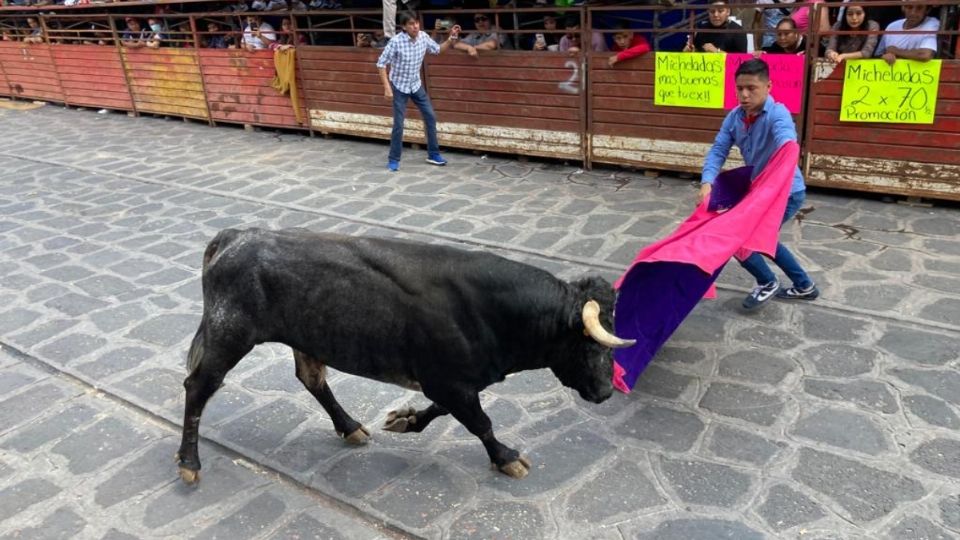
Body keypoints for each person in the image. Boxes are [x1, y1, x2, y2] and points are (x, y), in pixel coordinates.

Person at [699, 58, 819, 310]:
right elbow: (719, 149)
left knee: (742, 240)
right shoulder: (735, 117)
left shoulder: (779, 114)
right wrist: (707, 181)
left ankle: (767, 282)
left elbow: (788, 142)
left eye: (751, 88)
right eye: (739, 88)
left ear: (768, 87)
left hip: (786, 192)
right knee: (761, 239)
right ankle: (804, 286)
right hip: (758, 192)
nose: (744, 95)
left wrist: (788, 149)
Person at [376, 13, 459, 172]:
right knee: (399, 124)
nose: (415, 27)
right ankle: (394, 159)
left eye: (417, 23)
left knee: (430, 116)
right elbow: (381, 64)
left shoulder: (423, 37)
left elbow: (437, 50)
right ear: (404, 27)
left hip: (415, 84)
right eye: (411, 24)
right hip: (399, 86)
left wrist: (451, 38)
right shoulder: (396, 42)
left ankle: (433, 154)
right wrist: (387, 88)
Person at [874, 0, 939, 65]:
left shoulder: (932, 23)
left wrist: (895, 51)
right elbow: (877, 55)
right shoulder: (891, 26)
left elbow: (925, 55)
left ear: (927, 10)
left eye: (919, 8)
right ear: (903, 8)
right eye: (909, 7)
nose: (913, 13)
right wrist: (884, 57)